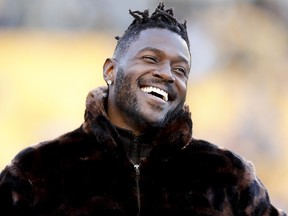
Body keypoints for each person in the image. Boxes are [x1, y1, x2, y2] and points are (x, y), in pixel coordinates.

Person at [0, 3, 286, 216]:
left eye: (180, 69)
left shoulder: (229, 176)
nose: (167, 74)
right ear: (110, 70)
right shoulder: (34, 172)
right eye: (151, 58)